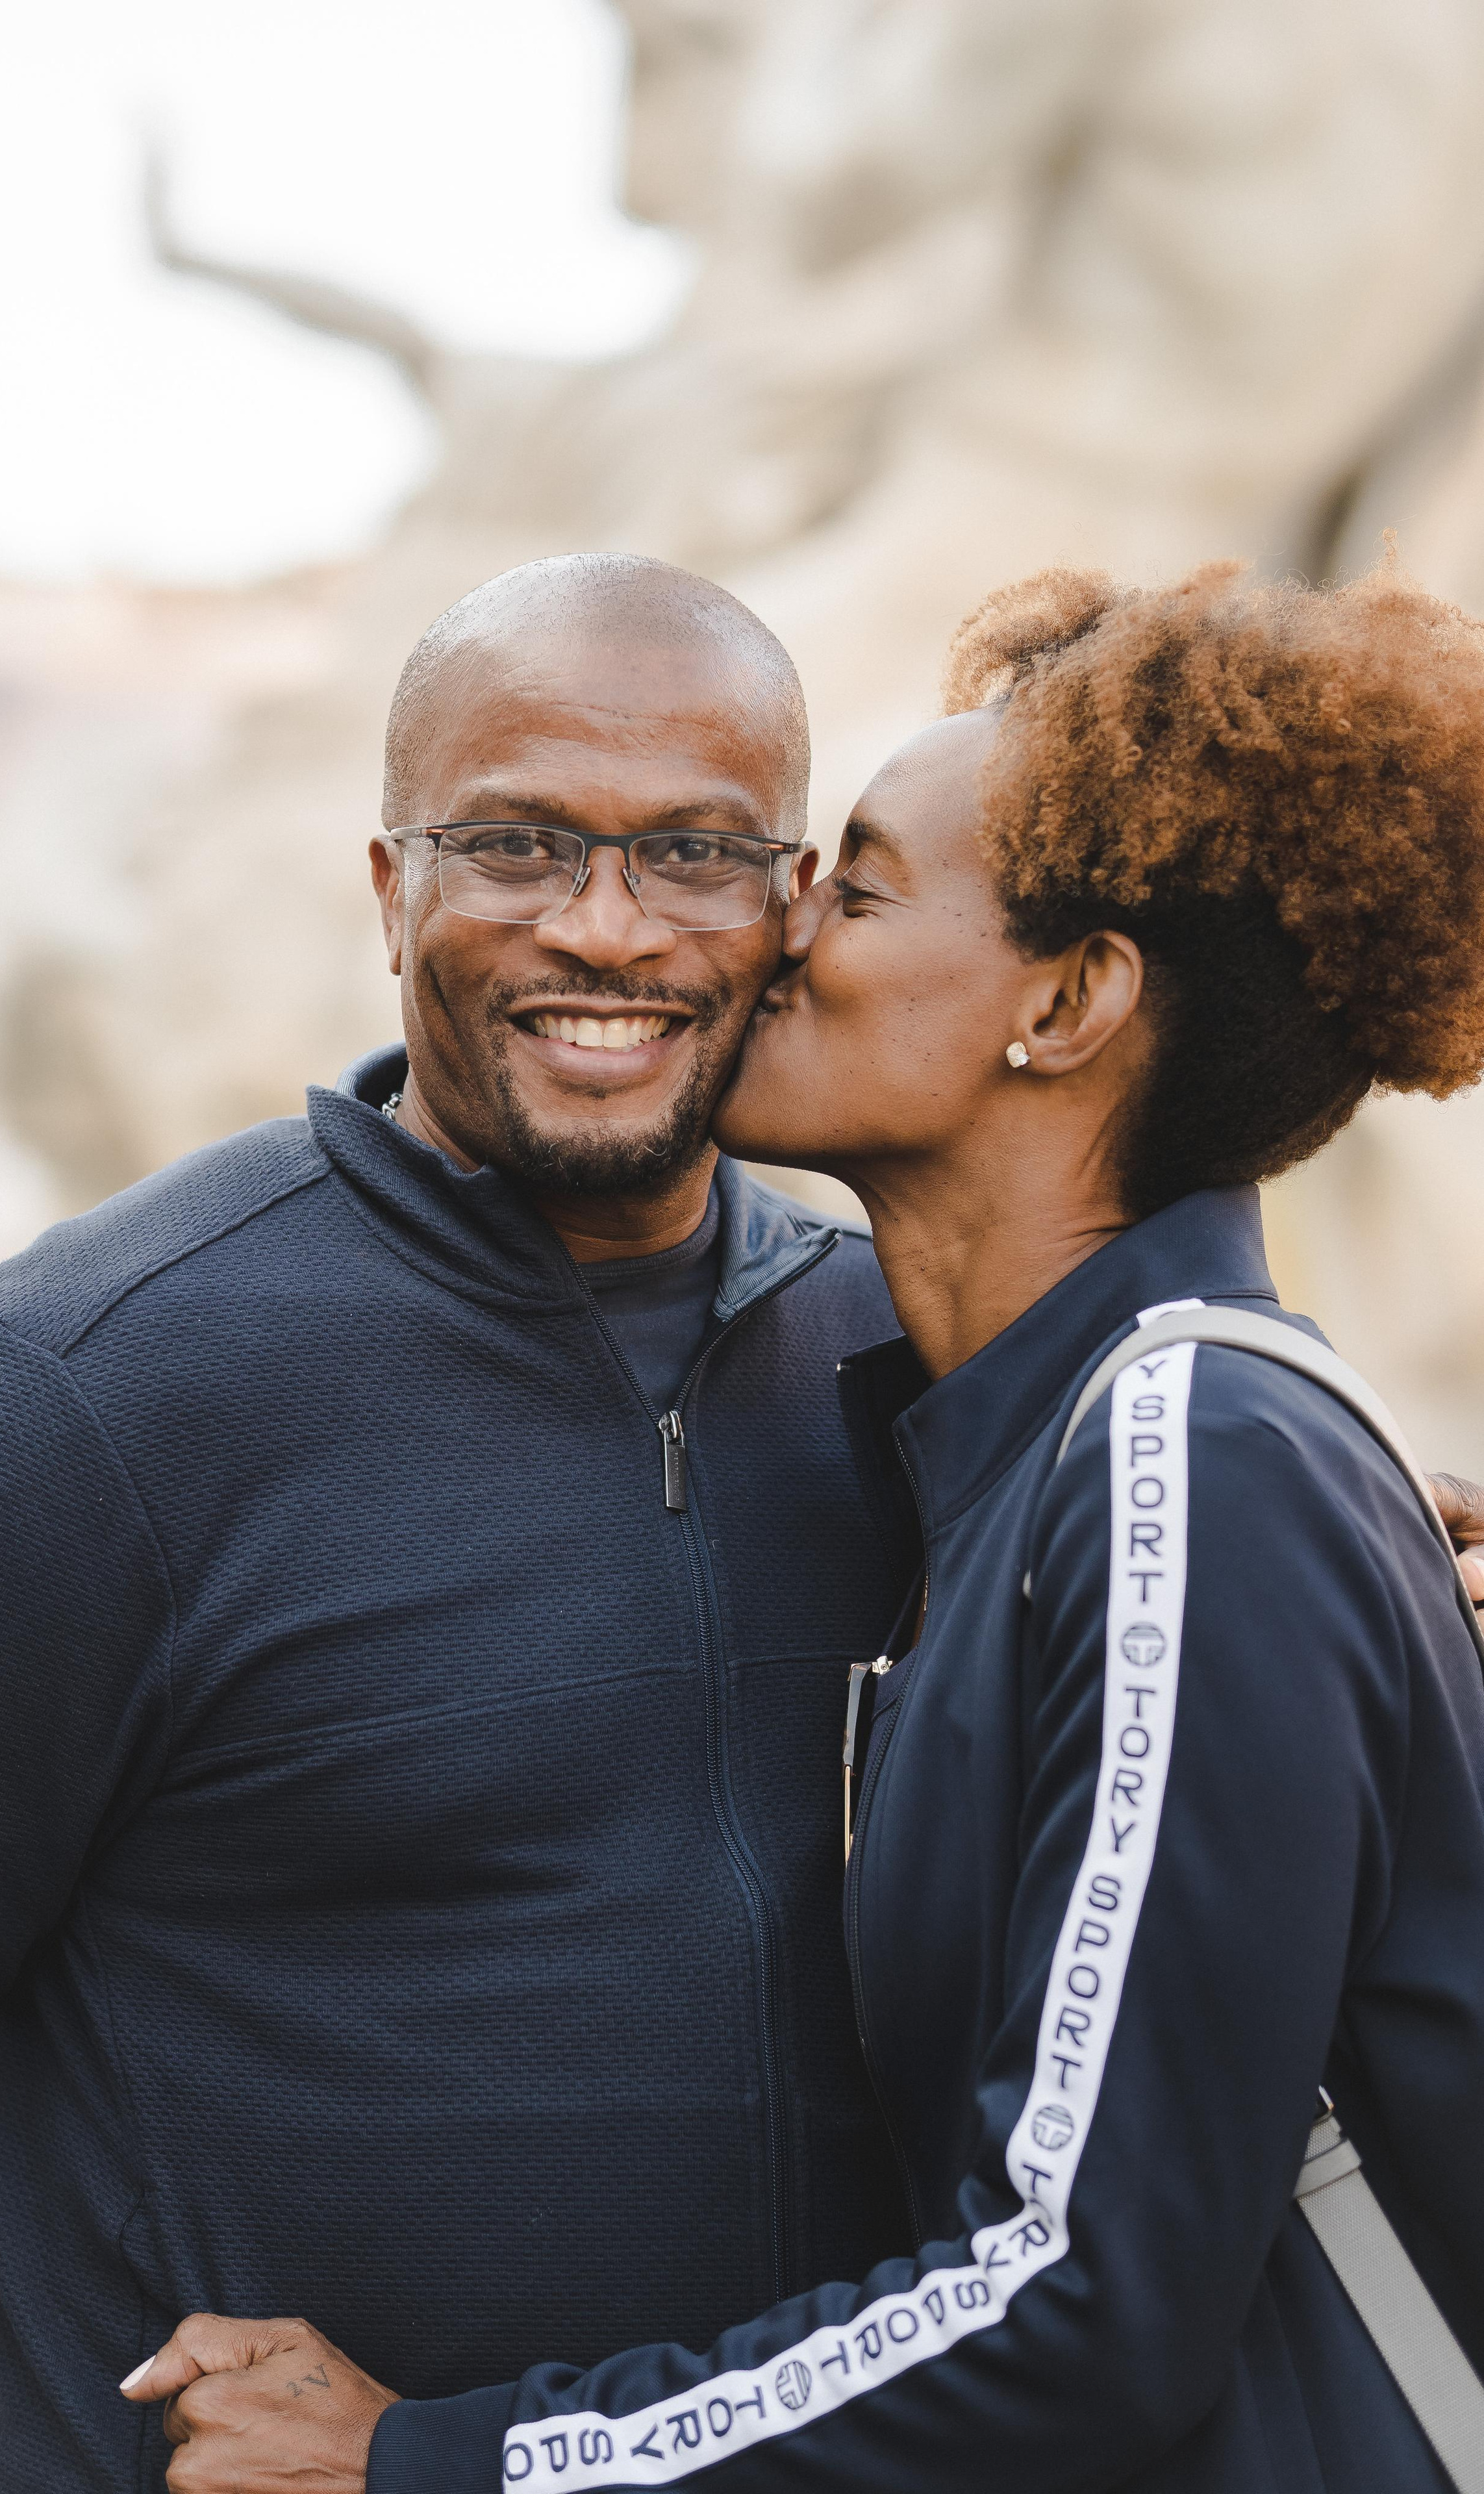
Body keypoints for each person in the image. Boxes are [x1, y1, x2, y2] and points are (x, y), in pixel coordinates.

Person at [130, 557, 1484, 2494]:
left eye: (847, 887)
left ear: (1071, 1001)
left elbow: (1073, 2302)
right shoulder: (1055, 1458)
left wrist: (433, 2462)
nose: (767, 942)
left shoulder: (1198, 1453)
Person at [0, 556, 919, 2487]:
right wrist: (105, 2345)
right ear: (390, 887)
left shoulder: (899, 1361)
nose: (608, 929)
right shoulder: (66, 1391)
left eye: (692, 854)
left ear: (792, 903)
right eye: (517, 844)